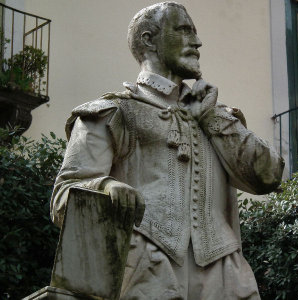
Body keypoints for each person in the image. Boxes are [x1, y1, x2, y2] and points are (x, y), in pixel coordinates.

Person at [50, 2, 284, 299]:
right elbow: (65, 194)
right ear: (149, 40)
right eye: (184, 30)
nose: (197, 42)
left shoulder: (217, 116)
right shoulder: (114, 111)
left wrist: (211, 117)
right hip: (145, 271)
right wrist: (106, 186)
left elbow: (269, 176)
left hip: (225, 276)